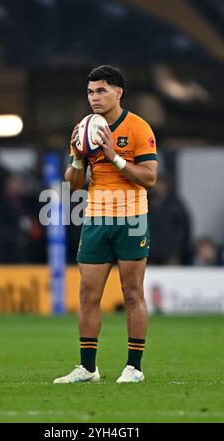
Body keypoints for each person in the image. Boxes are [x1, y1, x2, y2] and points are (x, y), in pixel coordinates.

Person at [54, 65, 158, 384]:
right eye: (90, 92)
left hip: (131, 218)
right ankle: (88, 368)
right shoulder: (84, 129)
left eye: (101, 91)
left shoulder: (138, 128)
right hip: (96, 218)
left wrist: (114, 157)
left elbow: (150, 178)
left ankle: (134, 368)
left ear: (118, 92)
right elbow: (72, 184)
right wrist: (75, 157)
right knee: (87, 295)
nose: (94, 98)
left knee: (131, 294)